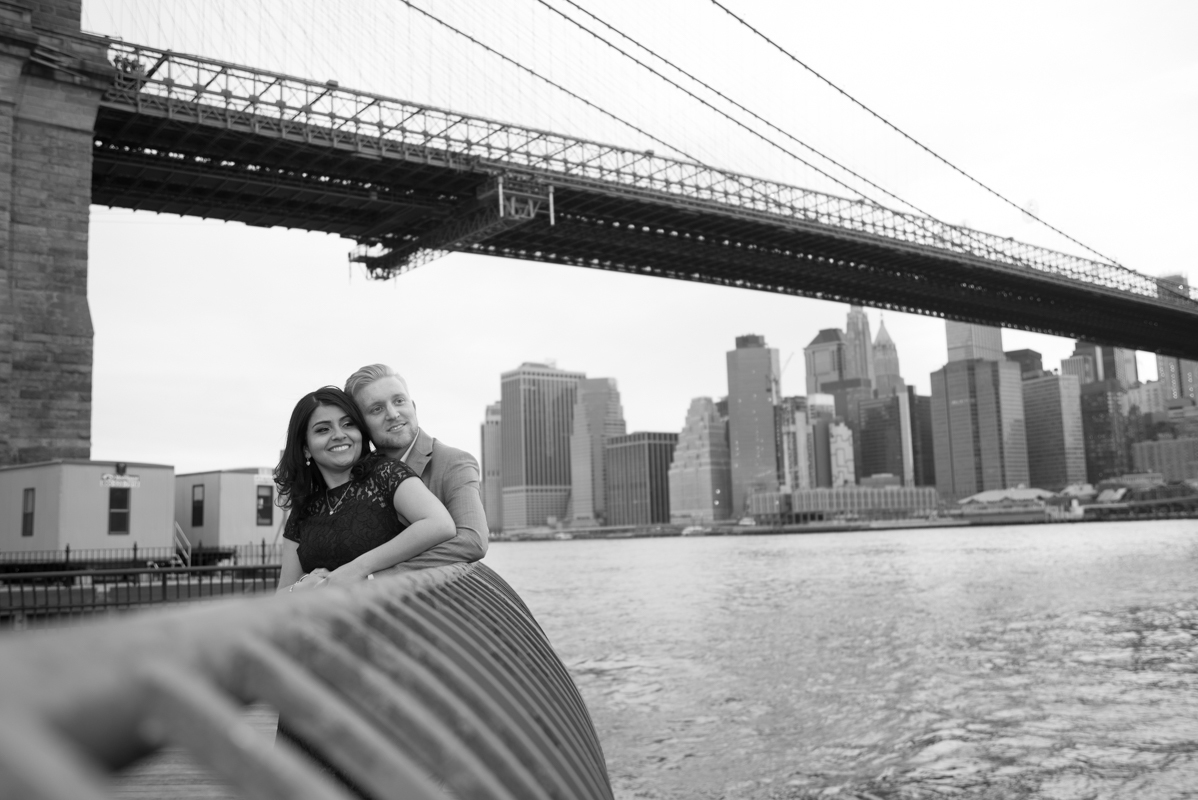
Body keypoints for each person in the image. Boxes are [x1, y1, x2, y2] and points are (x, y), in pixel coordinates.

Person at [273, 386, 456, 593]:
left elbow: (440, 524)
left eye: (348, 424)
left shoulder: (386, 474)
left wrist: (357, 569)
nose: (339, 435)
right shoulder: (304, 509)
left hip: (395, 609)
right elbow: (282, 592)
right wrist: (299, 588)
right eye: (323, 429)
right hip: (326, 613)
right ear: (306, 448)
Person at [344, 364, 489, 573]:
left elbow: (472, 541)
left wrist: (375, 575)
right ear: (361, 424)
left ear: (413, 406)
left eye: (399, 401)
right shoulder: (357, 473)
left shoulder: (453, 462)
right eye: (377, 409)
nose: (393, 414)